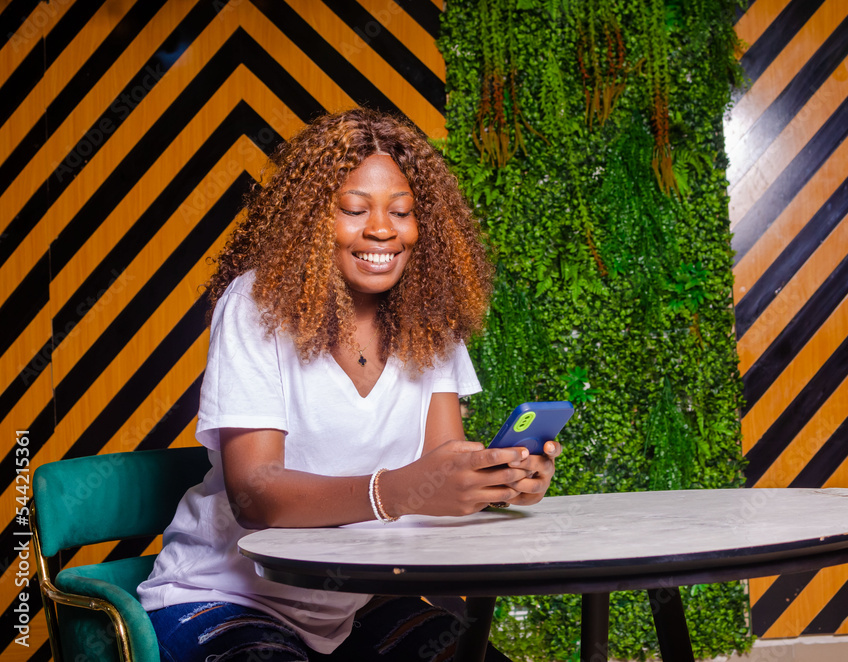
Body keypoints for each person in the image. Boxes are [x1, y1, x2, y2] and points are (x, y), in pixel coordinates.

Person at [137, 107, 562, 662]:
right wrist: (400, 490)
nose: (382, 229)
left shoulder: (428, 321)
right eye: (354, 210)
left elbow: (437, 469)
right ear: (310, 219)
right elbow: (254, 495)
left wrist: (496, 482)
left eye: (402, 212)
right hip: (225, 598)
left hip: (354, 603)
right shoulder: (254, 306)